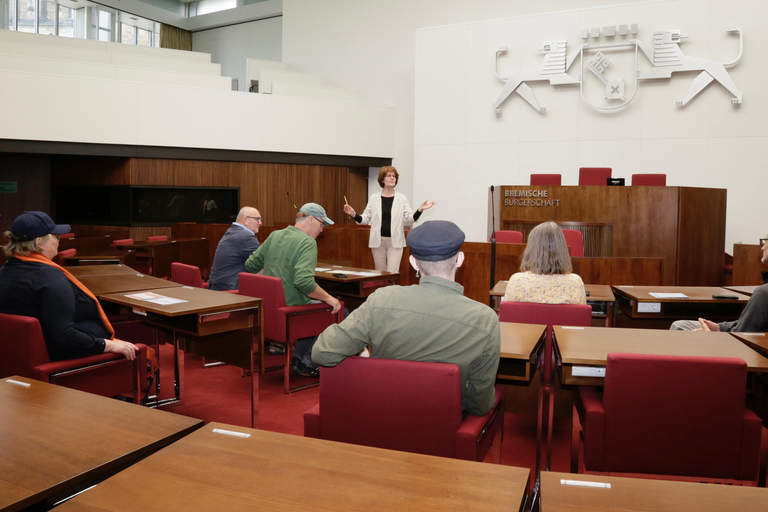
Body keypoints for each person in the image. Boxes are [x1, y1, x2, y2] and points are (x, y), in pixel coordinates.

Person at [312, 220, 500, 416]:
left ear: (413, 263)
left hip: (380, 420)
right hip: (442, 428)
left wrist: (362, 355)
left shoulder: (381, 300)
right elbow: (479, 405)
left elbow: (322, 352)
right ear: (459, 259)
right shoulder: (485, 319)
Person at [0, 211, 139, 362]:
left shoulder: (4, 271)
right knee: (139, 354)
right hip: (62, 362)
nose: (58, 241)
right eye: (56, 236)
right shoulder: (50, 278)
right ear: (39, 242)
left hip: (18, 359)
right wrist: (109, 345)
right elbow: (66, 337)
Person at [244, 203, 342, 377]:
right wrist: (329, 298)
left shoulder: (275, 235)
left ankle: (298, 359)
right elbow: (304, 282)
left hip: (268, 310)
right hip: (291, 312)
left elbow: (250, 265)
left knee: (317, 304)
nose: (322, 230)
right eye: (322, 224)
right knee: (338, 309)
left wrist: (273, 273)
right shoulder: (307, 242)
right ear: (311, 219)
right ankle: (307, 363)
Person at [343, 166, 436, 273]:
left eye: (394, 176)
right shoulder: (374, 198)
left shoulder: (401, 198)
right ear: (382, 179)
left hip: (395, 241)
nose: (392, 178)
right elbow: (364, 219)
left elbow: (411, 218)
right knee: (380, 273)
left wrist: (420, 209)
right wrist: (353, 214)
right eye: (389, 176)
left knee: (392, 272)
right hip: (378, 241)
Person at [671, 235, 768, 332]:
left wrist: (713, 337)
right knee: (680, 325)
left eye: (766, 241)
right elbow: (746, 323)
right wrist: (720, 327)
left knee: (680, 328)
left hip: (737, 340)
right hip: (742, 334)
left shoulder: (763, 293)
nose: (762, 247)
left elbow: (743, 334)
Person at [503, 221, 586, 304]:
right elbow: (581, 312)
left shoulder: (517, 281)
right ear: (562, 250)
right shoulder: (575, 283)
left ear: (530, 249)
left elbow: (507, 311)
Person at [208, 206, 262, 291]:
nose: (260, 223)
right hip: (231, 292)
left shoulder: (231, 232)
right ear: (246, 220)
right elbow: (261, 263)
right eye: (257, 219)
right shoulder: (246, 237)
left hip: (217, 288)